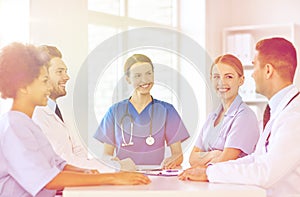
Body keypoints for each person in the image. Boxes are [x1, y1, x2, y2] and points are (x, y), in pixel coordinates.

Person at [0, 42, 150, 197]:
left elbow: (59, 163)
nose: (47, 88)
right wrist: (112, 176)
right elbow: (47, 179)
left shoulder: (27, 123)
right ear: (23, 86)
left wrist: (86, 172)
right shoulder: (13, 126)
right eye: (44, 82)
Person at [178, 37, 300, 197]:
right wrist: (209, 170)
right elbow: (257, 159)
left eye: (254, 65)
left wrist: (209, 173)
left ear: (268, 70)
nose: (253, 74)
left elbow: (265, 172)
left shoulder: (294, 116)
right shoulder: (278, 110)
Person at [94, 54, 190, 171]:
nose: (144, 80)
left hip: (156, 176)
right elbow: (106, 154)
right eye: (137, 76)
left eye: (149, 73)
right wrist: (111, 161)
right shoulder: (114, 111)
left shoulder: (167, 110)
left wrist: (173, 159)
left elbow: (178, 154)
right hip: (124, 176)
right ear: (128, 79)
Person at [32, 45, 111, 172]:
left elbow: (80, 153)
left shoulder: (59, 112)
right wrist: (113, 168)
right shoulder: (37, 115)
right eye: (60, 72)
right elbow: (62, 163)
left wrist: (109, 164)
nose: (67, 77)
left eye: (66, 71)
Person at [189, 54, 260, 167]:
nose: (221, 82)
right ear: (211, 78)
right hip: (207, 183)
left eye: (229, 77)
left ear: (241, 80)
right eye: (217, 76)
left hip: (232, 183)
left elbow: (224, 162)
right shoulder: (212, 117)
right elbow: (192, 158)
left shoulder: (245, 116)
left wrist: (204, 157)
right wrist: (214, 154)